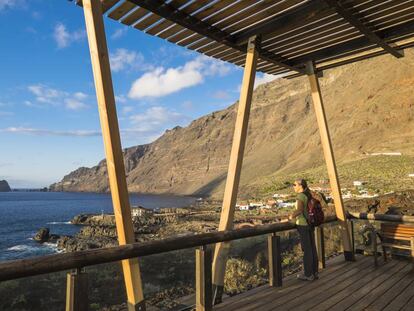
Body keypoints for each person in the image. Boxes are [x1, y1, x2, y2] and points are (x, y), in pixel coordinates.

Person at [288, 178, 318, 281]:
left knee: (307, 250)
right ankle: (314, 272)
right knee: (312, 248)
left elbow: (299, 210)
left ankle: (308, 274)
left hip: (303, 224)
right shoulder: (308, 194)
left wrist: (291, 216)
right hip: (310, 224)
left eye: (294, 184)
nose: (293, 186)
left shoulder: (300, 196)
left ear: (300, 185)